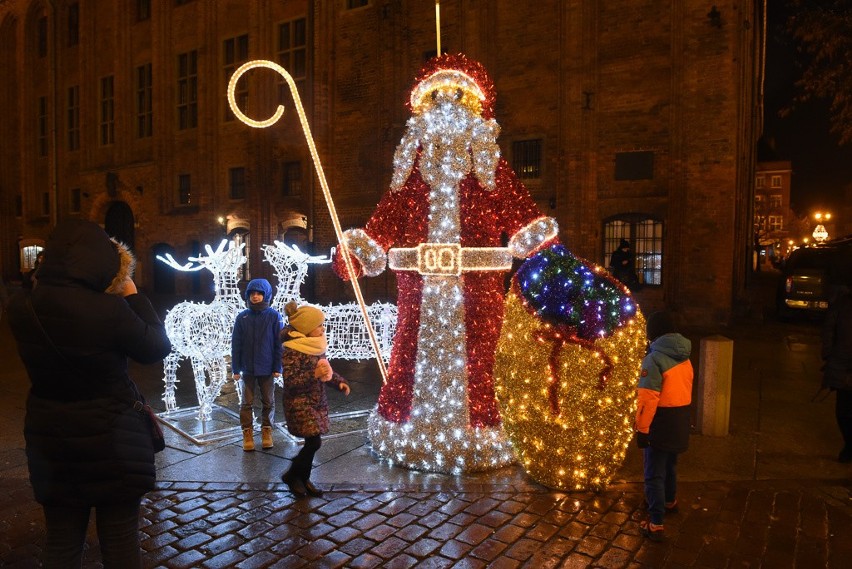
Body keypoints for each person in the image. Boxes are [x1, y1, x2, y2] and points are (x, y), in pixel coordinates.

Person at [332, 53, 559, 472]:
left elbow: (526, 222)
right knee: (410, 357)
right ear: (422, 112)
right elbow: (383, 222)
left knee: (481, 363)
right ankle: (406, 427)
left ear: (477, 110)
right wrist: (356, 255)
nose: (447, 105)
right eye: (436, 97)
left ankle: (484, 429)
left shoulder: (492, 173)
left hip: (478, 297)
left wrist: (548, 258)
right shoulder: (409, 178)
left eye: (458, 96)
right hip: (419, 297)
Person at [6, 219, 172, 569]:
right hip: (112, 440)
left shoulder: (23, 307)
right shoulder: (109, 310)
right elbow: (156, 346)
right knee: (120, 539)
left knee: (62, 541)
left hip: (50, 438)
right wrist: (133, 295)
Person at [279, 301, 350, 498]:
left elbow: (325, 369)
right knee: (314, 442)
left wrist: (338, 382)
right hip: (299, 403)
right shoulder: (293, 350)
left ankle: (303, 478)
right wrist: (313, 374)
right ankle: (293, 475)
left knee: (314, 441)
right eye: (318, 325)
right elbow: (291, 380)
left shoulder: (315, 345)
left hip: (316, 401)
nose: (322, 328)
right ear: (307, 328)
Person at [634, 310, 693, 542]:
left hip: (660, 422)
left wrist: (642, 429)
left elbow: (648, 399)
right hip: (679, 421)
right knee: (670, 466)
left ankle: (655, 522)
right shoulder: (685, 356)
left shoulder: (654, 359)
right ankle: (670, 501)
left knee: (653, 474)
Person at [231, 278, 283, 451]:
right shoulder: (242, 317)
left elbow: (278, 344)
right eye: (252, 293)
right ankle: (247, 432)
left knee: (268, 401)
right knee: (246, 402)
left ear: (266, 295)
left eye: (259, 293)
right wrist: (236, 368)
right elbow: (236, 344)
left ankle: (267, 430)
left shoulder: (274, 316)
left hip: (267, 367)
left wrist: (277, 367)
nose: (255, 297)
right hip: (248, 368)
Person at [821, 279, 852, 463]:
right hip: (842, 364)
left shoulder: (841, 303)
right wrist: (829, 354)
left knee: (844, 410)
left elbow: (828, 331)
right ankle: (849, 445)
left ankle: (849, 446)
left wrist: (828, 355)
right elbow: (829, 330)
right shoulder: (842, 304)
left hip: (841, 364)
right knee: (844, 410)